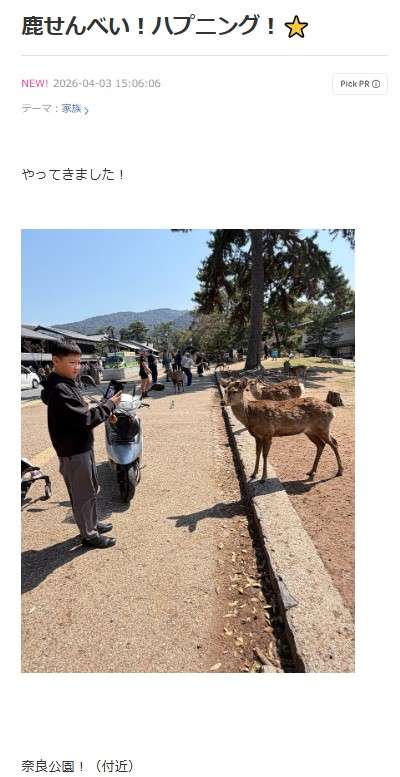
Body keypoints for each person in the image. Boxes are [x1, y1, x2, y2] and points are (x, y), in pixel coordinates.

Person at [41, 340, 122, 549]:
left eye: (79, 362)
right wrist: (110, 404)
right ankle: (89, 535)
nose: (77, 367)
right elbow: (84, 419)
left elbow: (80, 414)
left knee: (90, 488)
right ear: (55, 361)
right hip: (73, 451)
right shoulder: (60, 389)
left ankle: (92, 524)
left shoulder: (65, 383)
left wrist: (104, 408)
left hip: (81, 446)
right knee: (83, 494)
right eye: (72, 363)